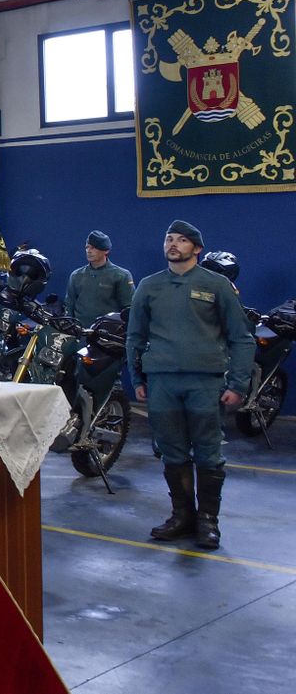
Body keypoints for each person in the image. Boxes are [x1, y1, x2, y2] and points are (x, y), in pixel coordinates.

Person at [127, 220, 252, 550]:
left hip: (205, 381)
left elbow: (242, 338)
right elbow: (135, 337)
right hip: (162, 382)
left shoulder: (217, 285)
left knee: (209, 454)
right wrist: (137, 378)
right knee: (172, 452)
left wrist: (238, 383)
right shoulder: (149, 286)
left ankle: (208, 521)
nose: (173, 244)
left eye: (182, 240)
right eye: (169, 238)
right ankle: (182, 516)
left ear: (196, 248)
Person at [67, 230, 135, 328]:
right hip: (79, 332)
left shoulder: (121, 275)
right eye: (87, 247)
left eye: (93, 248)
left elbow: (129, 309)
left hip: (107, 335)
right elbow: (69, 304)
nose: (88, 251)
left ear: (106, 250)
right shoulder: (76, 275)